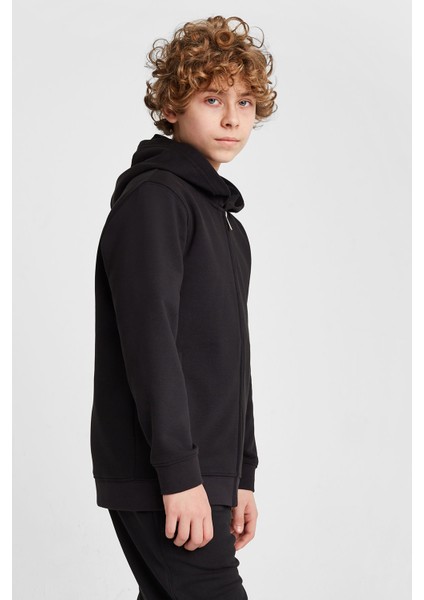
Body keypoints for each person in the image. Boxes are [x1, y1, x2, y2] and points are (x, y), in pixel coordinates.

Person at [90, 14, 277, 600]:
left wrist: (240, 474)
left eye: (245, 102)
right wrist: (179, 476)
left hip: (204, 473)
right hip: (166, 472)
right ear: (172, 106)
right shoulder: (156, 201)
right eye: (212, 98)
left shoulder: (226, 226)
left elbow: (232, 361)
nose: (232, 118)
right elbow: (150, 345)